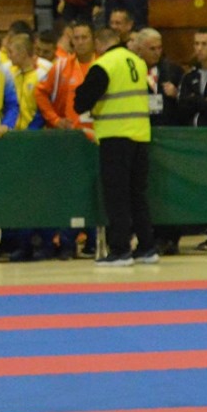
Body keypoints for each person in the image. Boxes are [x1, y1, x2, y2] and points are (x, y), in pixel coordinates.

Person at [73, 23, 159, 266]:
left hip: (115, 136)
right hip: (140, 135)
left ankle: (120, 250)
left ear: (99, 44)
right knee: (137, 195)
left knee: (116, 196)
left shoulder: (104, 65)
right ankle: (147, 247)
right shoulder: (137, 62)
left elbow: (81, 102)